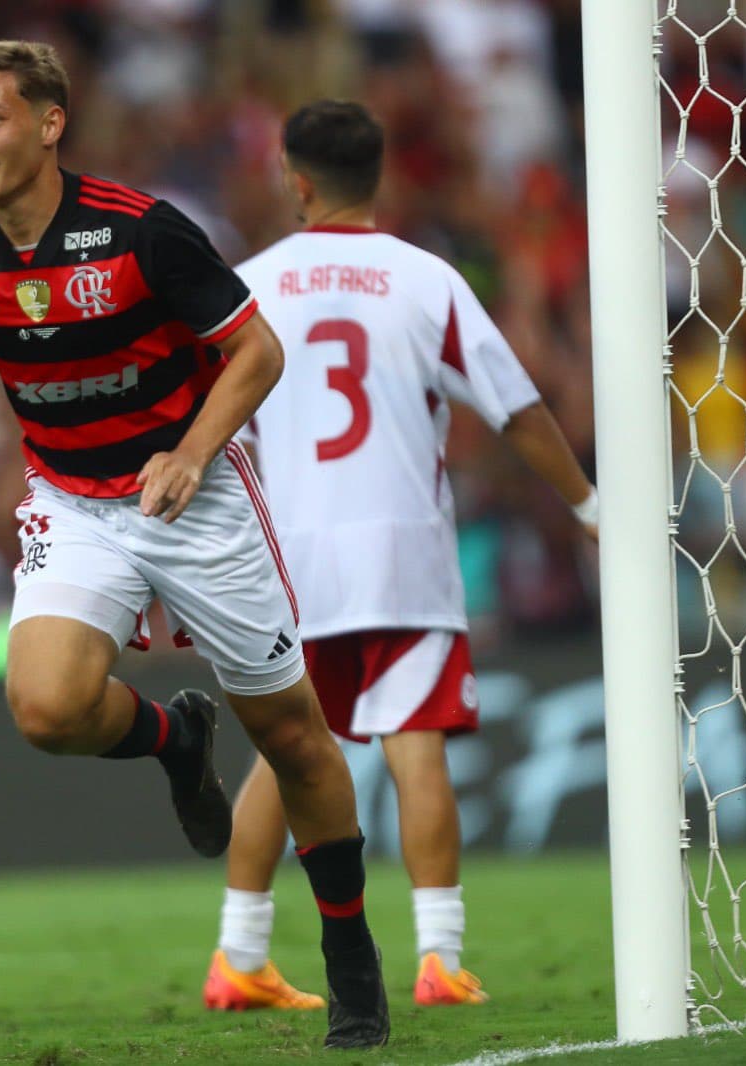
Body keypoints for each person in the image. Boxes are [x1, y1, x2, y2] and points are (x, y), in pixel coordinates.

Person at [0, 42, 388, 1049]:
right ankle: (177, 740)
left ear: (50, 124)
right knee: (44, 706)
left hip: (197, 496)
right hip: (71, 500)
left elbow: (256, 351)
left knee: (292, 735)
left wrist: (188, 451)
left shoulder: (140, 231)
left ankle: (352, 959)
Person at [203, 99, 598, 1012]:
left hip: (290, 566)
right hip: (401, 558)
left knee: (285, 755)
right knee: (417, 748)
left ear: (295, 179)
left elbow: (213, 429)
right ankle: (438, 958)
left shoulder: (246, 287)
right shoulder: (426, 280)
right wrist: (585, 503)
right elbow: (518, 407)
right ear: (375, 176)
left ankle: (238, 954)